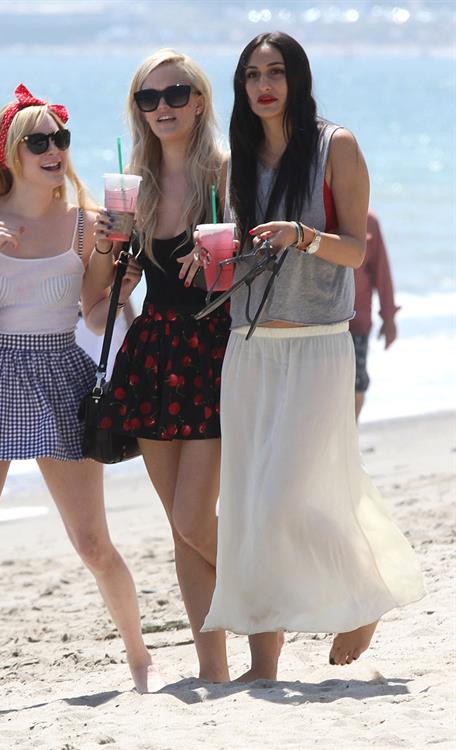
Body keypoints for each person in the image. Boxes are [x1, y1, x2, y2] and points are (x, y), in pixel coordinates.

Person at [0, 84, 161, 719]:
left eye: (60, 139)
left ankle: (141, 662)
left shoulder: (86, 221)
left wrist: (121, 282)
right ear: (9, 154)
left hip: (59, 375)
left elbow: (97, 314)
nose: (53, 150)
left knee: (92, 542)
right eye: (38, 141)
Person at [200, 32, 424, 681]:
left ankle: (368, 589)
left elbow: (355, 251)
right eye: (251, 74)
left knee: (280, 502)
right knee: (244, 506)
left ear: (298, 78)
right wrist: (205, 260)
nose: (263, 84)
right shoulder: (232, 159)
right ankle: (262, 664)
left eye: (276, 72)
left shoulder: (337, 147)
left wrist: (305, 236)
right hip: (248, 349)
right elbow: (235, 264)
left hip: (318, 345)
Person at [89, 49, 230, 682]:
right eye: (149, 99)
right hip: (152, 353)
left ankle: (274, 592)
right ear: (138, 110)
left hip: (213, 349)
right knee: (180, 527)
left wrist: (223, 264)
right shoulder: (133, 186)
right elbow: (107, 303)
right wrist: (102, 250)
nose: (163, 107)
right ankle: (212, 669)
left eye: (175, 94)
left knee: (197, 517)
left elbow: (249, 270)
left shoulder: (225, 174)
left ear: (199, 100)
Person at [351, 210, 400, 419]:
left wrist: (388, 318)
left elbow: (382, 272)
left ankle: (351, 436)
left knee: (357, 384)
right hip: (318, 321)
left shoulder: (368, 220)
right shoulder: (318, 214)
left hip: (357, 322)